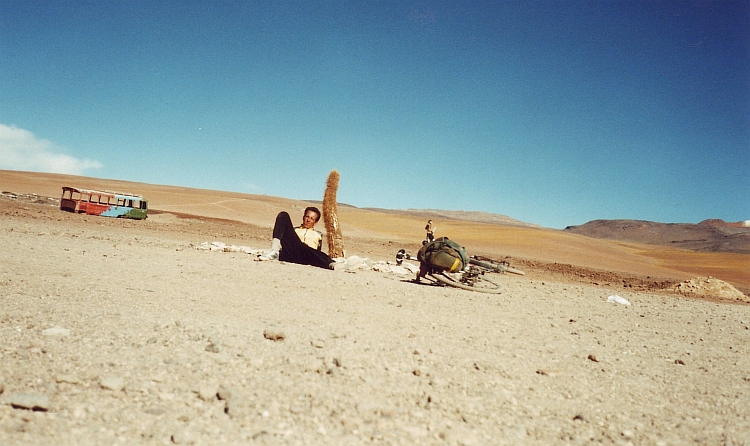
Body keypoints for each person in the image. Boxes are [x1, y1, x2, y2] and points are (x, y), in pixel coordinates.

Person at [258, 207, 343, 270]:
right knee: (283, 215)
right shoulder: (294, 231)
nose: (308, 220)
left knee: (312, 252)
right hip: (290, 254)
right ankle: (274, 251)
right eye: (307, 217)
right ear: (303, 217)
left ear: (315, 222)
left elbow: (317, 252)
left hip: (307, 256)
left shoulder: (318, 235)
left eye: (312, 218)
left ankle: (334, 264)